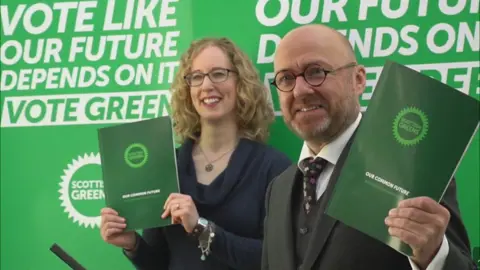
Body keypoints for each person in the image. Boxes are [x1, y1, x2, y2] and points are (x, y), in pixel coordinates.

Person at [261, 24, 477, 270]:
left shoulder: (413, 166)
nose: (300, 90)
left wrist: (434, 255)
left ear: (358, 80)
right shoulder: (277, 189)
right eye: (286, 78)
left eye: (316, 72)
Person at [100, 37, 292, 270]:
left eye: (219, 74)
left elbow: (278, 259)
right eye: (197, 77)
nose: (207, 86)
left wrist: (202, 229)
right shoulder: (167, 166)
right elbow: (159, 263)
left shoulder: (273, 167)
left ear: (240, 83)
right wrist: (132, 245)